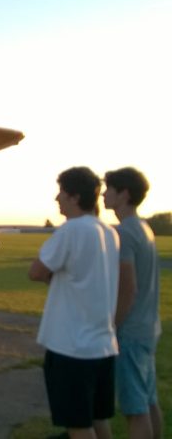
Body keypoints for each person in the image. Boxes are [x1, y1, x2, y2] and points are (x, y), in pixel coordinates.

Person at [28, 166, 119, 439]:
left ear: (75, 197)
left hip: (71, 347)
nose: (57, 198)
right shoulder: (109, 232)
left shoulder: (71, 230)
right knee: (98, 418)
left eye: (62, 193)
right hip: (103, 345)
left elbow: (37, 271)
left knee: (78, 424)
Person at [103, 167, 163, 439]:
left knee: (134, 409)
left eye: (109, 189)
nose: (104, 194)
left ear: (124, 194)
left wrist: (112, 326)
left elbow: (128, 289)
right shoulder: (144, 228)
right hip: (148, 328)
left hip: (130, 333)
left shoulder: (125, 233)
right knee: (149, 400)